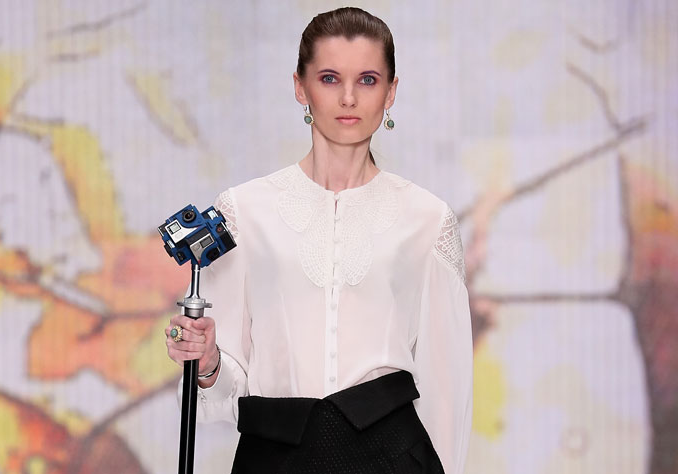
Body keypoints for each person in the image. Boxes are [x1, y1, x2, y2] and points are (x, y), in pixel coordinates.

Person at [165, 7, 472, 473]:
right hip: (273, 459)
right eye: (329, 78)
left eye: (367, 80)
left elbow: (445, 395)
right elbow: (226, 387)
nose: (348, 98)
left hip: (391, 459)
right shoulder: (243, 211)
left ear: (391, 92)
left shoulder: (428, 220)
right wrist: (206, 361)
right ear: (300, 87)